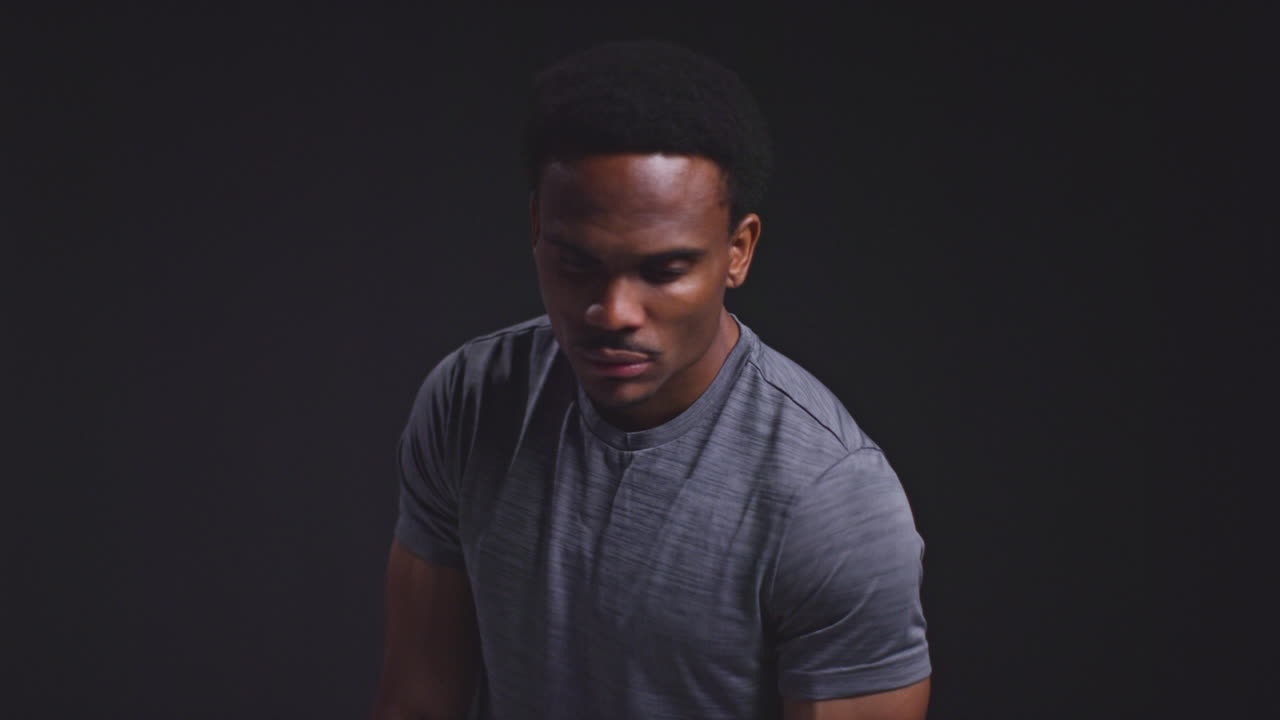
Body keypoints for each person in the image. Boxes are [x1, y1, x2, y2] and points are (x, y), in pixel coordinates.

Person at [372, 39, 931, 720]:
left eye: (664, 271)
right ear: (537, 226)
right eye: (577, 264)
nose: (613, 313)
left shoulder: (831, 498)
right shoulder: (471, 399)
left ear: (738, 252)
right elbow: (416, 703)